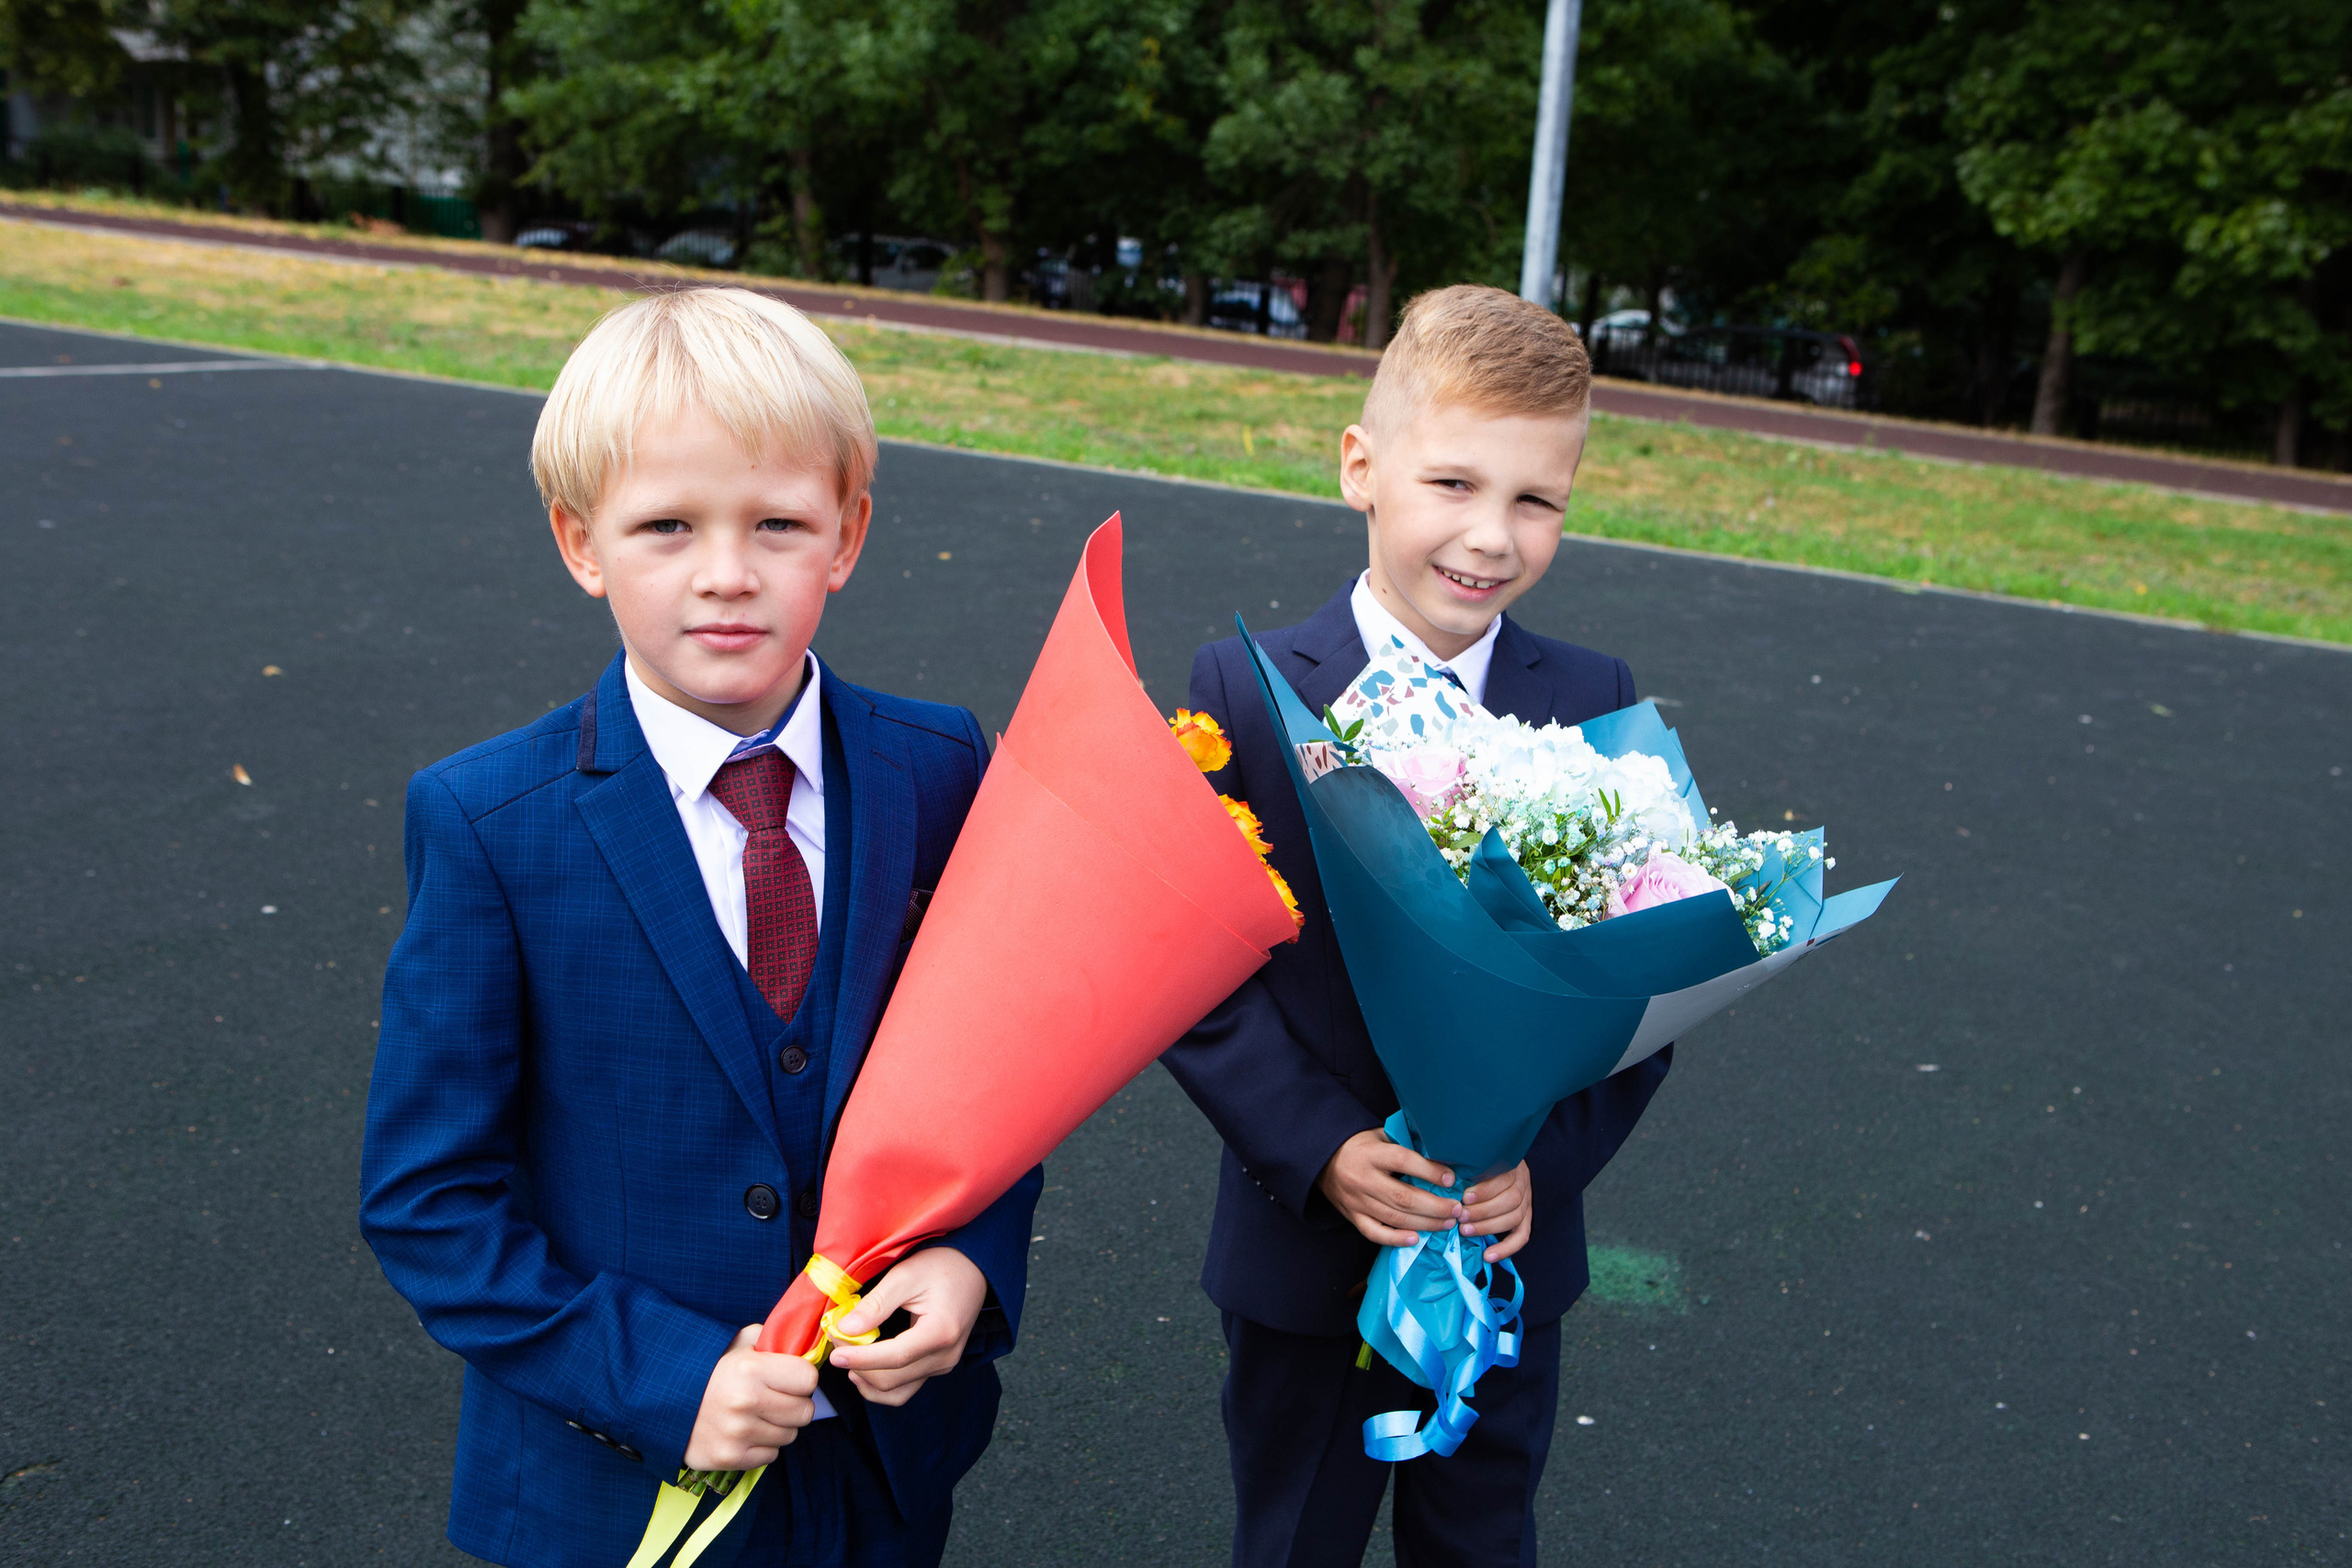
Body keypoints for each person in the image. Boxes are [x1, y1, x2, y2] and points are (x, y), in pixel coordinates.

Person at [359, 287, 1038, 1568]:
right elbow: (429, 1199)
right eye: (666, 525)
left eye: (779, 523)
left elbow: (998, 1082)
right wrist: (670, 1378)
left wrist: (970, 1268)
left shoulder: (941, 767)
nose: (727, 573)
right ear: (581, 543)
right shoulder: (491, 821)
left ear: (847, 534)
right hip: (606, 1492)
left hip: (881, 1473)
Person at [1161, 284, 1673, 1568]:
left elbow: (1649, 980)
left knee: (1482, 1541)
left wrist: (1534, 1172)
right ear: (1361, 466)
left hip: (1504, 1260)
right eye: (1453, 484)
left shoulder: (1594, 698)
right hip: (1309, 1256)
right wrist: (1322, 1145)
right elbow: (1190, 971)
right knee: (1294, 1542)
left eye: (1535, 500)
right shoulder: (1245, 688)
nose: (1490, 536)